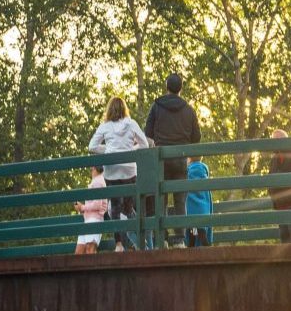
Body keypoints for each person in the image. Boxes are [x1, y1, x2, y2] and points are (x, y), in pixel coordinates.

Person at [88, 96, 151, 243]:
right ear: (124, 109)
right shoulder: (131, 123)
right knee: (128, 208)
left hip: (112, 171)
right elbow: (145, 144)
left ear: (109, 110)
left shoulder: (105, 126)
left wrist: (110, 150)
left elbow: (92, 146)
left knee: (115, 207)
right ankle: (142, 238)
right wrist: (131, 149)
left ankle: (119, 244)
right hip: (129, 170)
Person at [143, 72, 201, 223]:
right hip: (180, 159)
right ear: (181, 88)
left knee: (161, 200)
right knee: (180, 201)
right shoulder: (189, 109)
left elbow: (147, 133)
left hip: (161, 159)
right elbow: (197, 137)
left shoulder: (156, 106)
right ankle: (180, 238)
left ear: (166, 87)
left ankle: (164, 239)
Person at [76, 170, 111, 253]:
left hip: (95, 219)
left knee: (90, 250)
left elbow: (98, 204)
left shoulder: (98, 181)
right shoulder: (95, 181)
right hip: (88, 220)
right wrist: (81, 209)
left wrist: (82, 207)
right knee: (79, 252)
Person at [183, 154, 214, 247]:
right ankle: (206, 246)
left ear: (190, 158)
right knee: (202, 229)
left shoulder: (188, 170)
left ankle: (191, 245)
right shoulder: (204, 169)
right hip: (203, 205)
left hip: (192, 204)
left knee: (193, 228)